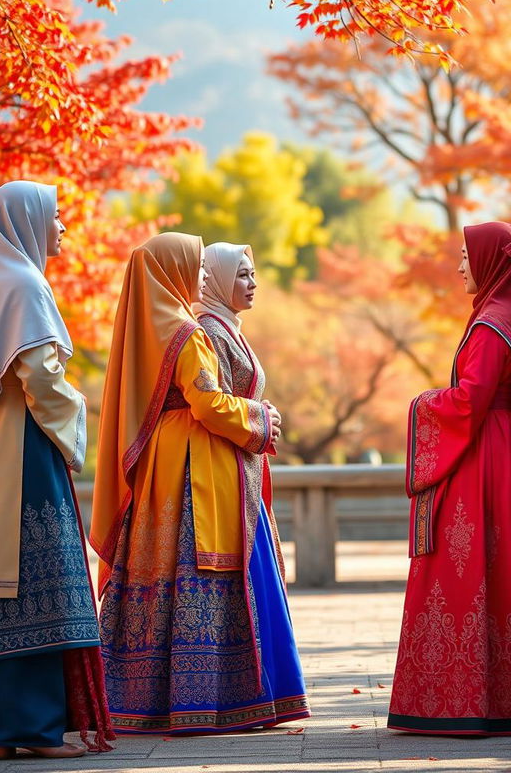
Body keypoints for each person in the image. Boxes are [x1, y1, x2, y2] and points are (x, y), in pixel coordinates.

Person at [91, 232, 308, 734]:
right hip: (196, 468)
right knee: (198, 569)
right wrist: (259, 418)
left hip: (163, 470)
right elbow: (208, 402)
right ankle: (211, 700)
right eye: (197, 265)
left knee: (157, 574)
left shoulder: (150, 328)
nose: (205, 275)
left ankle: (138, 698)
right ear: (175, 270)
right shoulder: (189, 333)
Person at [388, 222, 511, 736]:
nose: (458, 268)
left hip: (487, 458)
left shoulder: (493, 323)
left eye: (465, 258)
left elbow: (470, 400)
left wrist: (422, 402)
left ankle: (466, 702)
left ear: (490, 261)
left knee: (471, 569)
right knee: (510, 570)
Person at [0, 181, 113, 759]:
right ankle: (35, 728)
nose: (64, 226)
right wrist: (77, 419)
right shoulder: (24, 283)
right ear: (28, 219)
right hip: (23, 449)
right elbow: (41, 379)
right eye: (56, 215)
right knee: (41, 578)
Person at [193, 242, 309, 728]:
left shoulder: (230, 330)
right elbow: (209, 402)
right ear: (217, 280)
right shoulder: (209, 331)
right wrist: (262, 418)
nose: (252, 283)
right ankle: (246, 694)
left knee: (260, 576)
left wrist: (261, 421)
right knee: (242, 576)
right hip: (221, 472)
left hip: (244, 470)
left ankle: (271, 692)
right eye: (242, 275)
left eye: (254, 273)